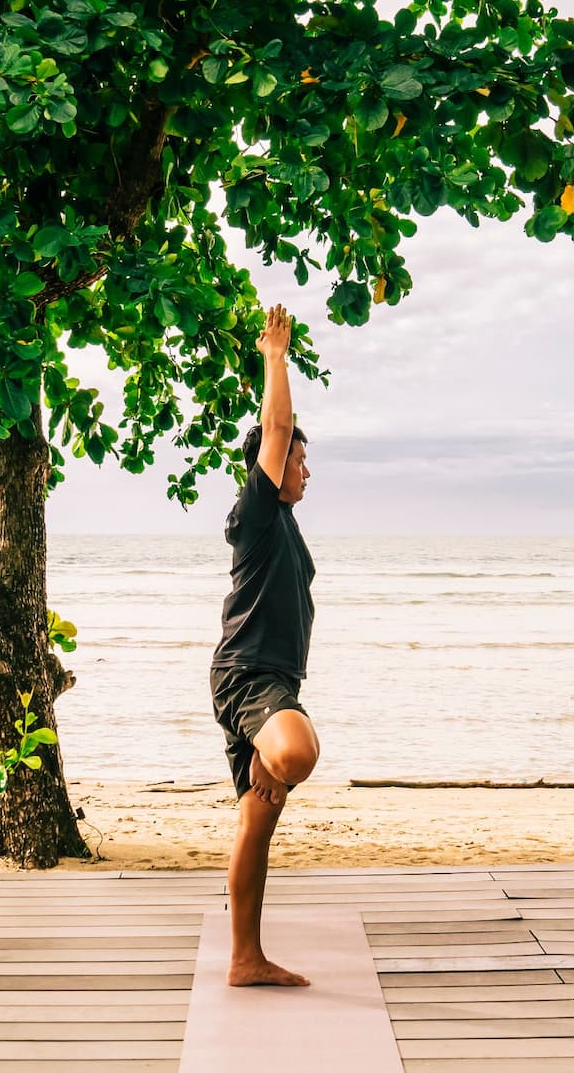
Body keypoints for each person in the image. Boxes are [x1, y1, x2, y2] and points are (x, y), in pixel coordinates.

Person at [207, 303, 322, 987]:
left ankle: (245, 959)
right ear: (270, 466)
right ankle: (267, 756)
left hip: (269, 679)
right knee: (295, 754)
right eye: (300, 462)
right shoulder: (258, 509)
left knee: (260, 818)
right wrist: (275, 357)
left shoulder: (283, 527)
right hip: (252, 679)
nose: (306, 472)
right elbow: (274, 427)